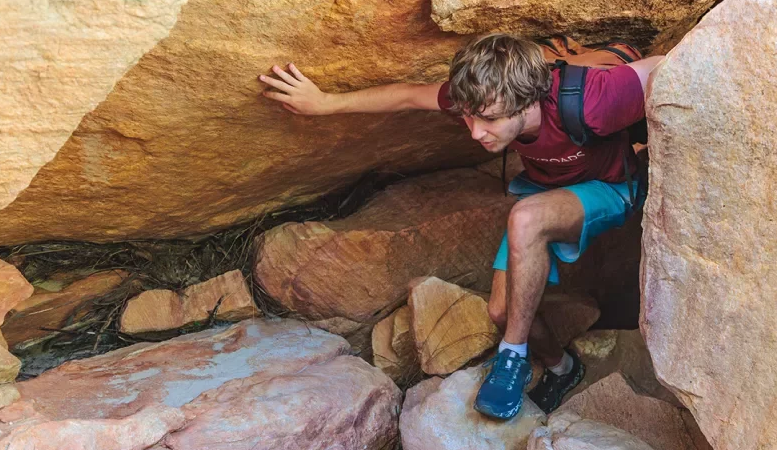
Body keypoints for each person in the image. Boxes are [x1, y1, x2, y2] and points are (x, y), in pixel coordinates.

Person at [259, 33, 665, 420]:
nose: (474, 132)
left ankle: (511, 359)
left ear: (527, 102)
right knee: (503, 311)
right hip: (547, 194)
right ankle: (562, 369)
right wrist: (323, 103)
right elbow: (406, 95)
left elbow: (666, 66)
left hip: (610, 188)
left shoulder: (594, 99)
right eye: (468, 118)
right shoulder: (482, 95)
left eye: (487, 120)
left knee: (525, 217)